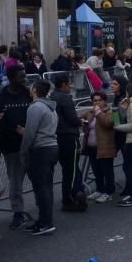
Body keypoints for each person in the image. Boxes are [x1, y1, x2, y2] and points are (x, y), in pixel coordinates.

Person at [0, 65, 33, 230]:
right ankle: (18, 212)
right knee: (15, 182)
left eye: (25, 76)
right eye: (21, 77)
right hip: (12, 146)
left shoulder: (28, 94)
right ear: (11, 78)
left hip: (32, 145)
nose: (24, 80)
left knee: (39, 179)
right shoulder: (0, 97)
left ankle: (44, 211)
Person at [20, 80, 60, 235]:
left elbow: (30, 132)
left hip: (40, 149)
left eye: (31, 87)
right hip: (51, 146)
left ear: (35, 90)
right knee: (47, 185)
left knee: (41, 186)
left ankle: (45, 222)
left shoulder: (35, 107)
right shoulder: (51, 107)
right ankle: (46, 218)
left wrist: (23, 151)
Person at [50, 74, 86, 212]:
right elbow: (72, 119)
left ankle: (74, 193)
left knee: (68, 168)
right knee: (71, 170)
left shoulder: (52, 97)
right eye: (69, 83)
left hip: (57, 136)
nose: (70, 86)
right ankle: (70, 197)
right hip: (68, 136)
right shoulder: (64, 98)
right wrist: (80, 121)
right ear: (63, 84)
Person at [82, 91, 116, 203]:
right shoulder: (90, 112)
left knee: (107, 170)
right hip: (92, 147)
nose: (97, 102)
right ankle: (99, 189)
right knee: (97, 170)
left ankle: (109, 192)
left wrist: (98, 112)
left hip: (105, 146)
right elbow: (80, 119)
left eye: (99, 100)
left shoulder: (110, 112)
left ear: (105, 101)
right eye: (94, 100)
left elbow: (108, 123)